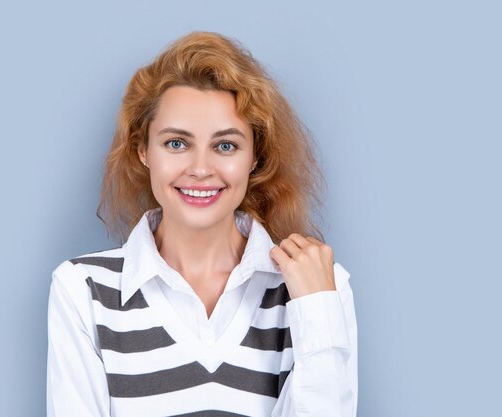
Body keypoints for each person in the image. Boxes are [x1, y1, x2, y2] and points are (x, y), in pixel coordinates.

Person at [46, 31, 358, 417]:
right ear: (143, 150)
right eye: (177, 143)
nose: (200, 169)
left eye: (225, 145)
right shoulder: (84, 291)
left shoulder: (321, 290)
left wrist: (317, 310)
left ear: (255, 157)